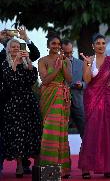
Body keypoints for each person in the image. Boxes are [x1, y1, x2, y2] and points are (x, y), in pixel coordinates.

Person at [78, 33, 110, 179]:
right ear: (93, 46)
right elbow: (87, 79)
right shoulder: (89, 60)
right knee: (91, 132)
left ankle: (107, 167)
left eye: (103, 43)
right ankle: (86, 168)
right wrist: (89, 64)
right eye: (98, 43)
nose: (101, 46)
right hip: (92, 100)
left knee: (107, 132)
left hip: (107, 100)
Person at [0, 27, 40, 175]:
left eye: (18, 47)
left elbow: (32, 80)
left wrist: (28, 64)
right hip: (13, 104)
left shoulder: (26, 62)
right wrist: (15, 62)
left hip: (29, 103)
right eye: (13, 47)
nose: (16, 49)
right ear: (8, 50)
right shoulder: (4, 64)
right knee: (17, 134)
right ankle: (19, 166)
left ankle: (37, 166)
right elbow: (11, 81)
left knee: (33, 132)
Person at [38, 35, 72, 178]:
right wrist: (57, 68)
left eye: (58, 44)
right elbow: (45, 80)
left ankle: (63, 171)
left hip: (62, 99)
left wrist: (63, 65)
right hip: (49, 97)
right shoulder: (42, 60)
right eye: (53, 43)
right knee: (49, 133)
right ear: (48, 45)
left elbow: (69, 79)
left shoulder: (65, 60)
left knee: (61, 133)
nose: (56, 46)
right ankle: (49, 173)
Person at [62, 39, 85, 138]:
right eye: (66, 53)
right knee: (61, 131)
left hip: (78, 101)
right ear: (61, 51)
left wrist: (82, 85)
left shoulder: (81, 63)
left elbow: (88, 82)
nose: (69, 55)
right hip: (61, 101)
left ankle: (89, 151)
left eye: (71, 52)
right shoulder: (56, 63)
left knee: (85, 129)